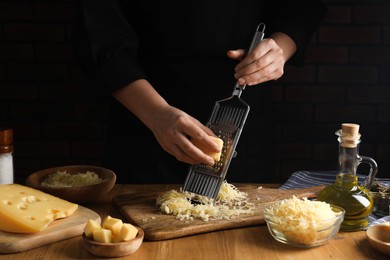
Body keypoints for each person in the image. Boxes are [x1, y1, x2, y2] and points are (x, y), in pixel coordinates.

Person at [71, 1, 328, 184]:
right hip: (144, 119)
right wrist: (156, 115)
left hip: (242, 122)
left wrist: (280, 48)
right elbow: (100, 32)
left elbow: (302, 7)